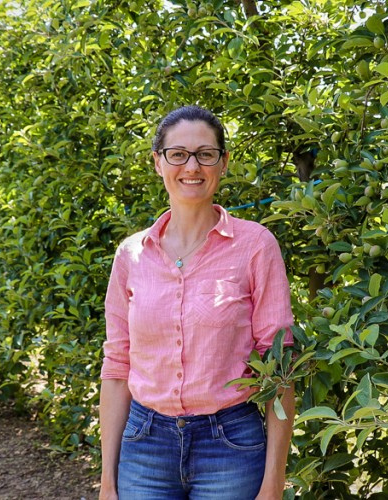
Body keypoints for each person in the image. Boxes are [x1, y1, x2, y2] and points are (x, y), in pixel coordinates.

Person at [99, 105, 295, 500]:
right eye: (178, 154)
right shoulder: (131, 254)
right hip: (144, 445)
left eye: (205, 154)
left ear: (223, 163)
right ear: (158, 162)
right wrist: (107, 481)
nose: (192, 166)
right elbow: (117, 367)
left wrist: (274, 483)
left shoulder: (256, 246)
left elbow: (279, 367)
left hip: (230, 446)